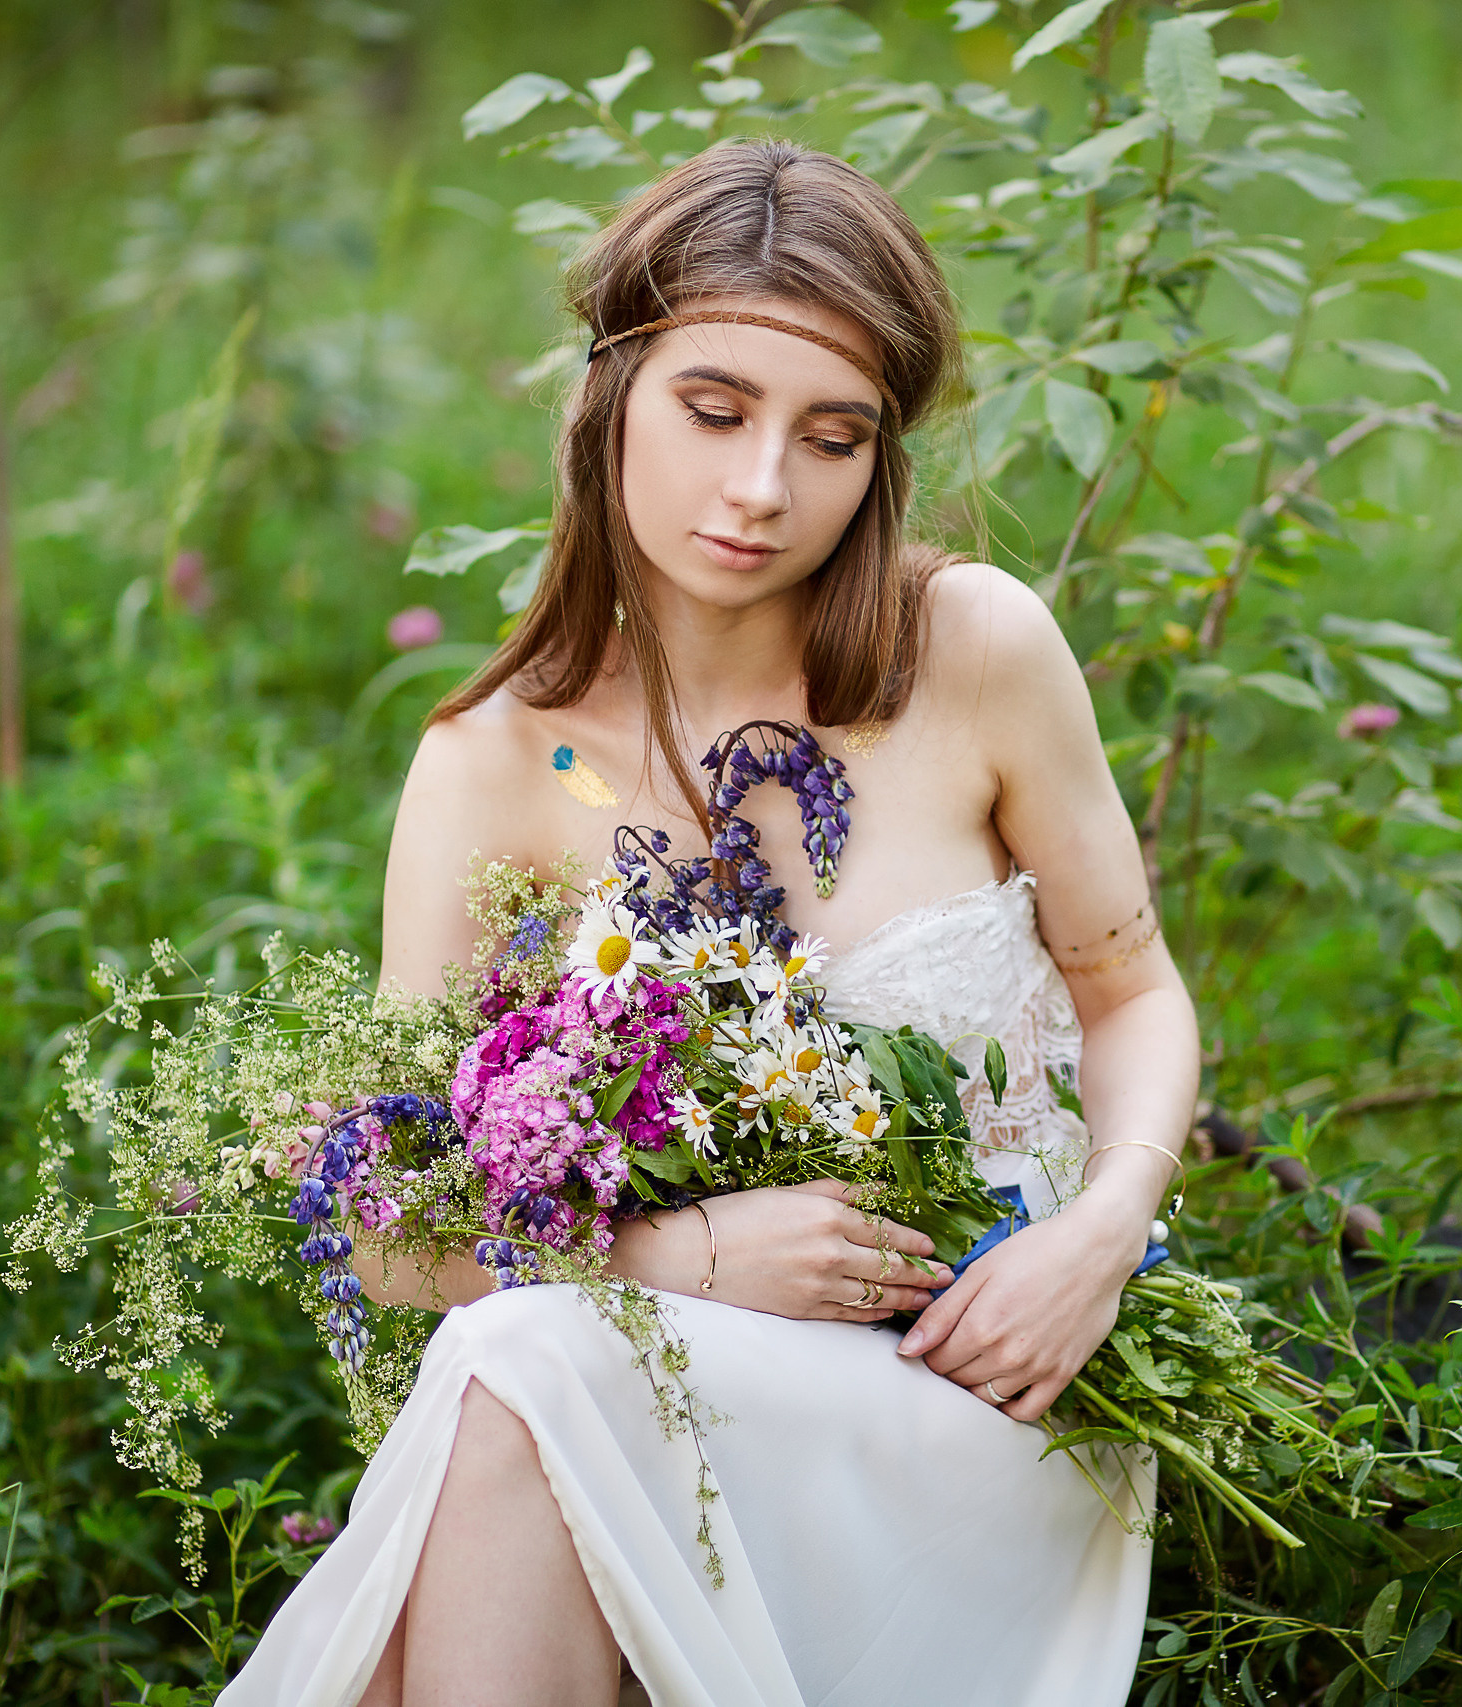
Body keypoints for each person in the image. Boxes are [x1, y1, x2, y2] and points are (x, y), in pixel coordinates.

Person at [220, 138, 1198, 1707]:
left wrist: (1103, 1236)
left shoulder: (975, 650)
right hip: (660, 1373)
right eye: (715, 409)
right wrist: (673, 1255)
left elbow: (1128, 988)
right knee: (524, 1362)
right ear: (611, 394)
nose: (762, 490)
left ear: (879, 459)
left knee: (526, 1380)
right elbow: (386, 1226)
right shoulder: (491, 766)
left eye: (832, 437)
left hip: (984, 1397)